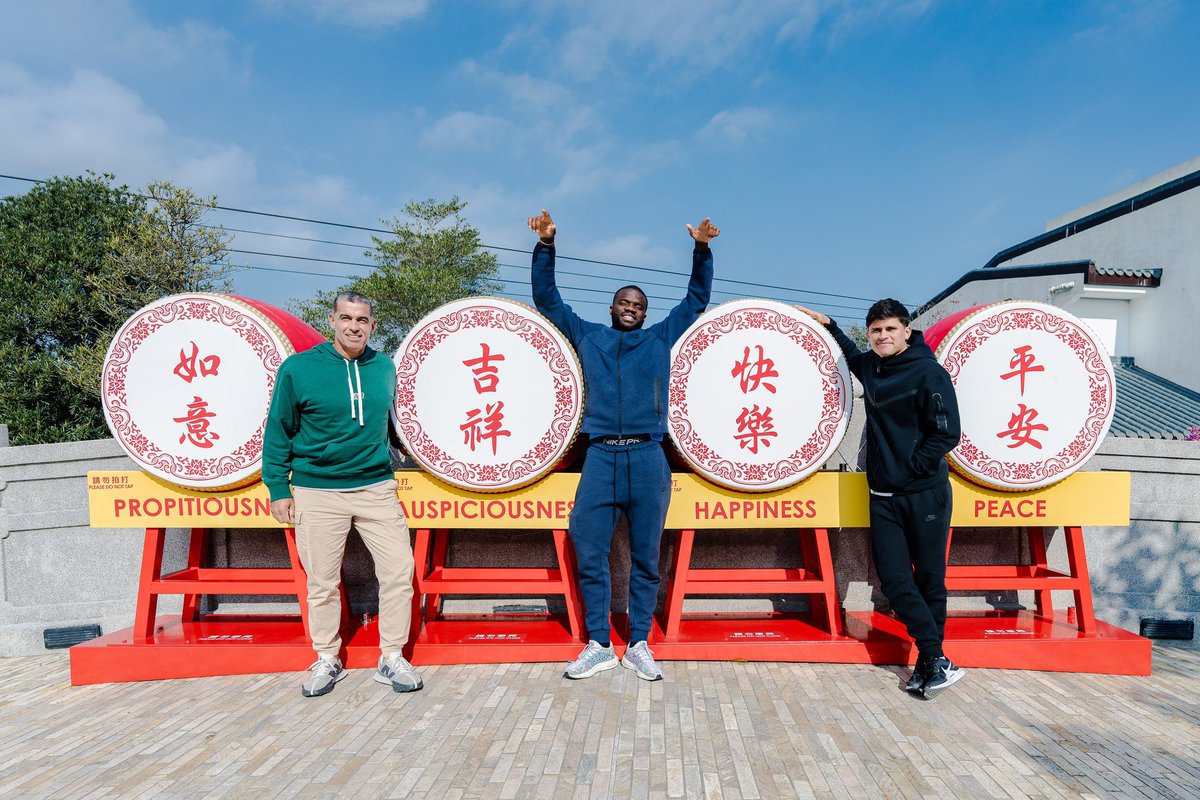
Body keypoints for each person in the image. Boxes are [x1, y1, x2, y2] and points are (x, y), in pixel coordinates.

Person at [527, 210, 718, 682]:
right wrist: (547, 245)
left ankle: (637, 644)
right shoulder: (589, 336)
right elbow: (547, 301)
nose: (630, 307)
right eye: (623, 302)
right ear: (612, 308)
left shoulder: (659, 339)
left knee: (646, 556)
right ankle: (596, 642)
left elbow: (695, 301)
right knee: (588, 546)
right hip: (601, 456)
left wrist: (701, 251)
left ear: (645, 314)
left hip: (648, 458)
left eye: (638, 304)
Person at [798, 299, 965, 698]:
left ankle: (929, 664)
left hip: (925, 495)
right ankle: (937, 658)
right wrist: (831, 323)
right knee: (894, 578)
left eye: (890, 329)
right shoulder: (872, 368)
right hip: (883, 496)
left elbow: (947, 434)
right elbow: (852, 356)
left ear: (907, 330)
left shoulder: (929, 373)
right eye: (876, 331)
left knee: (929, 581)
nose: (883, 337)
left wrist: (911, 469)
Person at [263, 291, 422, 698]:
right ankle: (327, 658)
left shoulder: (384, 367)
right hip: (317, 489)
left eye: (363, 320)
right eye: (347, 318)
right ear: (331, 320)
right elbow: (278, 429)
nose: (355, 326)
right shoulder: (298, 369)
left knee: (399, 572)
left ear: (373, 325)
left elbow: (393, 424)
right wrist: (278, 487)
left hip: (376, 487)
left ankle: (391, 656)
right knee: (322, 581)